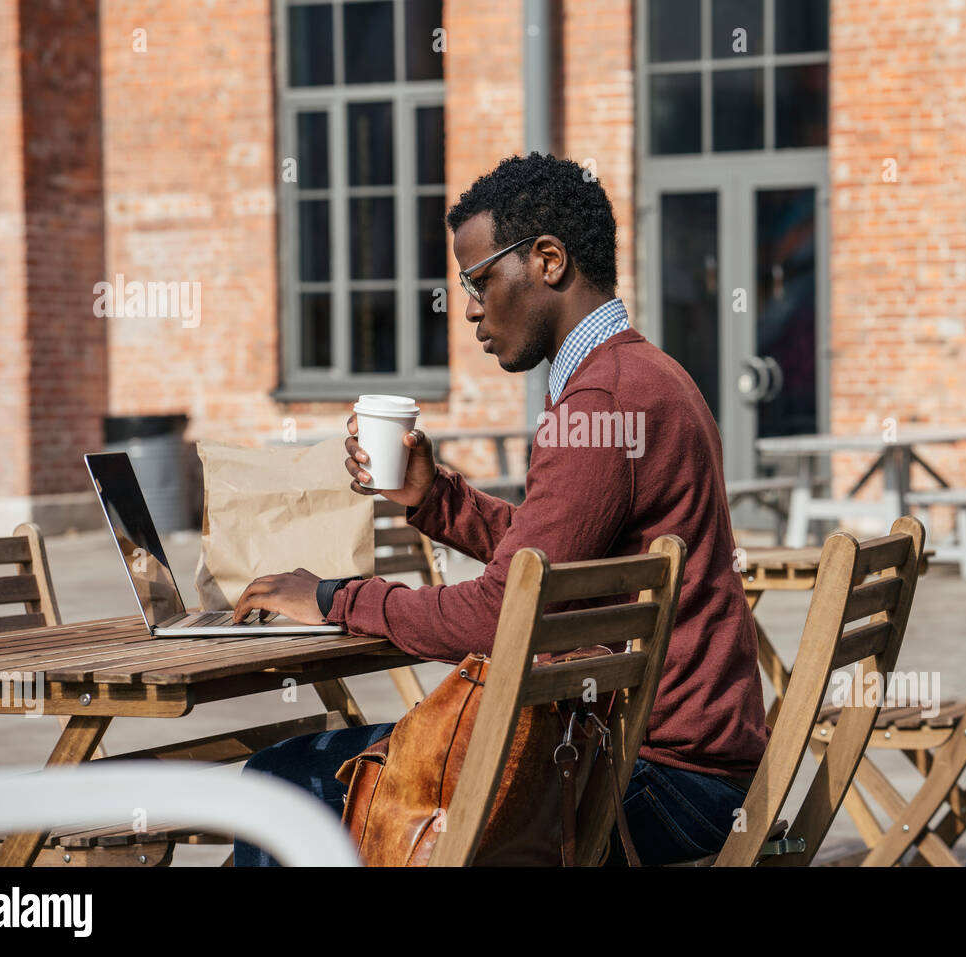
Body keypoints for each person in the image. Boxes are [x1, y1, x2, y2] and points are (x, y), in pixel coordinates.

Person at [230, 152, 768, 866]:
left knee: (281, 780)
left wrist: (332, 596)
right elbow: (551, 565)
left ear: (547, 259)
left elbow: (500, 614)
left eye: (480, 280)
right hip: (695, 770)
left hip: (657, 783)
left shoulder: (600, 400)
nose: (471, 308)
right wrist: (435, 497)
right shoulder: (646, 376)